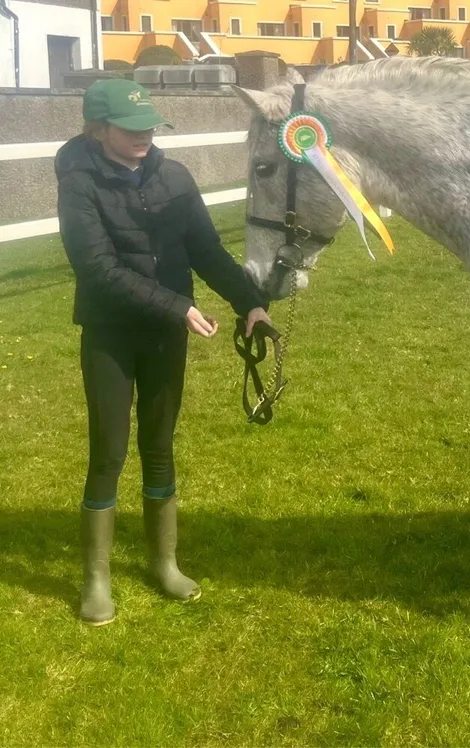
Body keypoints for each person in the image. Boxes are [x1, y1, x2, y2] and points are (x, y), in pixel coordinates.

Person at [55, 78, 272, 626]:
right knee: (108, 451)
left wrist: (251, 303)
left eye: (150, 127)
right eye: (131, 130)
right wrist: (176, 307)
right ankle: (96, 579)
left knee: (159, 444)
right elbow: (97, 268)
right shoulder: (78, 182)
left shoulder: (174, 177)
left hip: (163, 336)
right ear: (98, 129)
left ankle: (164, 562)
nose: (144, 137)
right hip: (109, 333)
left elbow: (206, 250)